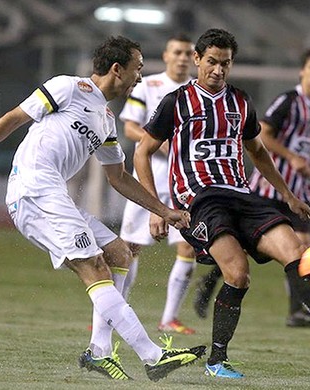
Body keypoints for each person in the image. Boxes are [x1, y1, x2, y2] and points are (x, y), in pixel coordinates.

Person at [0, 35, 205, 382]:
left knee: (118, 253)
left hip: (55, 197)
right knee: (95, 267)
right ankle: (153, 356)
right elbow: (14, 118)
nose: (140, 78)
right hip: (34, 192)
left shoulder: (106, 119)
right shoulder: (68, 88)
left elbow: (119, 177)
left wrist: (161, 210)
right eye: (137, 69)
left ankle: (98, 351)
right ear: (117, 69)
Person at [134, 28, 310, 379]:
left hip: (242, 195)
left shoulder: (240, 102)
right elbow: (142, 152)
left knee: (297, 251)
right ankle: (217, 360)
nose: (218, 70)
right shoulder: (176, 102)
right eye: (211, 62)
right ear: (197, 60)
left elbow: (258, 152)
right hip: (201, 200)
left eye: (225, 63)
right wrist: (156, 209)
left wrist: (288, 195)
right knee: (238, 275)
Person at [193, 48, 310, 328]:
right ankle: (209, 282)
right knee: (243, 247)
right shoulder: (288, 101)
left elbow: (300, 148)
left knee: (303, 251)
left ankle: (297, 312)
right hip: (268, 188)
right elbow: (263, 135)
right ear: (302, 71)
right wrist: (291, 157)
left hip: (297, 191)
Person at [118, 34, 198, 335]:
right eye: (176, 52)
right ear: (166, 55)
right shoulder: (149, 85)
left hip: (185, 182)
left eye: (187, 53)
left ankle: (169, 318)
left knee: (188, 247)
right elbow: (129, 127)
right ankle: (116, 312)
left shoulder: (197, 91)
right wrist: (156, 142)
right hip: (148, 177)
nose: (182, 57)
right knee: (129, 247)